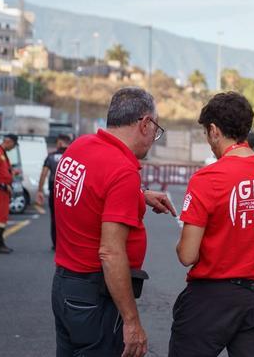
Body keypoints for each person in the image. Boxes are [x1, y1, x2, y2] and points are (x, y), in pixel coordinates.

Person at [51, 87, 176, 357]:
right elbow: (110, 252)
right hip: (94, 295)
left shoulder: (79, 148)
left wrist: (138, 196)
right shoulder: (121, 170)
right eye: (156, 129)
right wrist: (132, 322)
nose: (154, 138)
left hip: (64, 285)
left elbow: (93, 193)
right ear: (145, 123)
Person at [170, 92, 254, 357]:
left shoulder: (207, 178)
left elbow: (187, 254)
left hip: (209, 300)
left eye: (207, 133)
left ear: (214, 130)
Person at [36, 134, 72, 251]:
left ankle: (56, 244)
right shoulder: (73, 155)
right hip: (69, 190)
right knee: (69, 218)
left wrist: (40, 190)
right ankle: (67, 244)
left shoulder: (51, 157)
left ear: (60, 143)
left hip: (54, 189)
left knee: (55, 217)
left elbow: (44, 174)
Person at [0, 134, 21, 254]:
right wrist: (1, 185)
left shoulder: (2, 153)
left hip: (4, 190)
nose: (13, 148)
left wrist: (12, 172)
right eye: (13, 145)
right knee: (0, 217)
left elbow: (3, 170)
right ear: (9, 142)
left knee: (2, 216)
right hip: (0, 190)